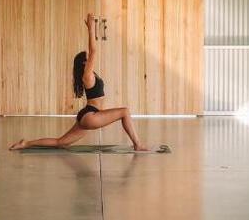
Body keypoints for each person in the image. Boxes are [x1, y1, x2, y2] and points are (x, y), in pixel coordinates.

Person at [9, 13, 148, 151]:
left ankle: (26, 143)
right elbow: (93, 51)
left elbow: (92, 53)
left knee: (60, 142)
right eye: (88, 58)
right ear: (84, 63)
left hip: (87, 114)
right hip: (91, 116)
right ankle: (138, 144)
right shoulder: (87, 75)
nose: (91, 59)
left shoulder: (90, 75)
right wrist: (91, 29)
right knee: (125, 111)